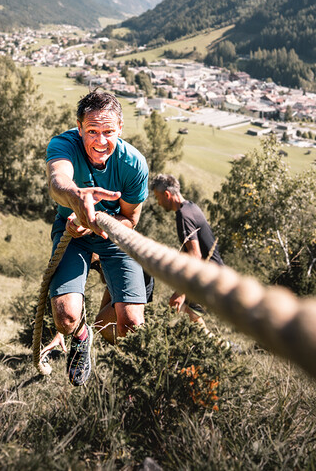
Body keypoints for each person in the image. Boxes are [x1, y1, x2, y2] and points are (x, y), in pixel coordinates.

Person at [45, 90, 149, 385]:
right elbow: (57, 181)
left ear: (120, 130)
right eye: (92, 131)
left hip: (114, 236)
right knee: (65, 317)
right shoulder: (64, 145)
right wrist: (75, 197)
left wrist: (97, 224)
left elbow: (130, 219)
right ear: (79, 129)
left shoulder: (133, 165)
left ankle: (127, 382)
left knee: (131, 324)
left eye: (108, 132)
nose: (100, 141)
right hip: (72, 231)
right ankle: (80, 336)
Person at [150, 173, 224, 323]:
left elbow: (195, 255)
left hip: (207, 275)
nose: (158, 203)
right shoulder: (191, 207)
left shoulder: (183, 216)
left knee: (191, 319)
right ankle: (214, 345)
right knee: (187, 316)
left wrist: (182, 291)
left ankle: (222, 346)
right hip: (211, 272)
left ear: (167, 194)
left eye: (158, 197)